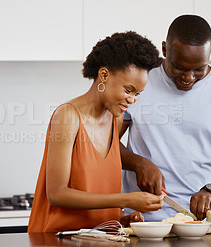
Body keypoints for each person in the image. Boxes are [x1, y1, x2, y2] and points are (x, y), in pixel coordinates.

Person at [120, 15, 211, 221]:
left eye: (199, 69)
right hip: (138, 221)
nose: (188, 77)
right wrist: (138, 163)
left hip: (196, 223)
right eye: (180, 67)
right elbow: (105, 141)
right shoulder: (139, 78)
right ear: (164, 50)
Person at [28, 31, 164, 233]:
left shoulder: (114, 119)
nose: (133, 100)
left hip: (99, 237)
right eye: (128, 90)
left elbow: (96, 189)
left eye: (138, 94)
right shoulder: (68, 116)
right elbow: (57, 194)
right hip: (57, 238)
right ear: (104, 75)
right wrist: (127, 199)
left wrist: (119, 218)